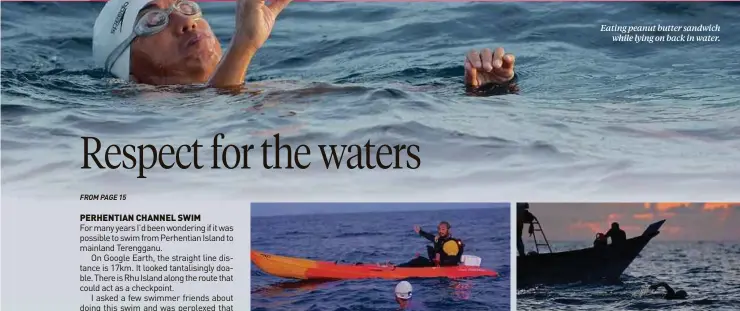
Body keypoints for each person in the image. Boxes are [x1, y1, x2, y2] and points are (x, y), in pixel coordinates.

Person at [93, 0, 517, 92]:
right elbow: (214, 119)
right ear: (128, 68)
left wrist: (484, 90)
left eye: (186, 5)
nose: (185, 21)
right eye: (153, 20)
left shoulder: (277, 86)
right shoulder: (141, 108)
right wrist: (244, 46)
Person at [398, 221, 464, 267]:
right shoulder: (439, 239)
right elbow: (430, 236)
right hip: (435, 264)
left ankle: (396, 269)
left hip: (443, 267)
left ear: (448, 230)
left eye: (443, 229)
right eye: (439, 229)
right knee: (419, 259)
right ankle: (397, 267)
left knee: (418, 261)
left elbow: (453, 260)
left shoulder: (451, 243)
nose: (440, 231)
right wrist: (421, 232)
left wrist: (439, 262)